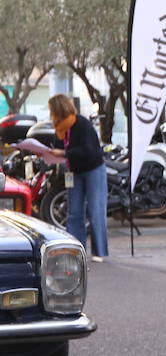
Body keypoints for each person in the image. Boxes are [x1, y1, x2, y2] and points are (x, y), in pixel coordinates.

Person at [46, 94, 108, 262]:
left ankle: (99, 252)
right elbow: (58, 148)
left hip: (93, 168)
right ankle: (75, 250)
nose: (51, 114)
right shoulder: (59, 129)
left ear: (59, 109)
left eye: (52, 110)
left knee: (96, 210)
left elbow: (88, 150)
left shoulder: (81, 124)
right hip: (73, 171)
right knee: (73, 212)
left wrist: (64, 153)